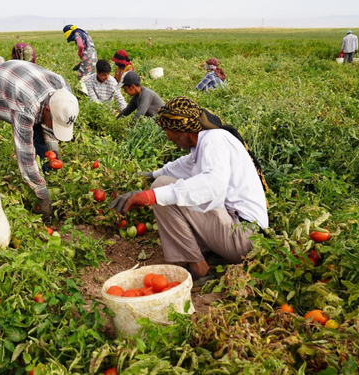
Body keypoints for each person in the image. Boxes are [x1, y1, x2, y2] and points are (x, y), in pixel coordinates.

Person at [110, 96, 269, 282]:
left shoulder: (214, 141)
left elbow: (212, 184)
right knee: (163, 183)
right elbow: (180, 166)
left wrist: (151, 195)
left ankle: (199, 268)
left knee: (162, 188)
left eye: (169, 131)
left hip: (244, 238)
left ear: (183, 129)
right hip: (242, 234)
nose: (169, 138)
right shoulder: (204, 144)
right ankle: (210, 254)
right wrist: (148, 175)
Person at [0, 60, 79, 219]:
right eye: (54, 123)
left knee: (43, 145)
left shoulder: (64, 93)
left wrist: (53, 150)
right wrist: (43, 195)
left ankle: (47, 176)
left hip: (15, 86)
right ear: (47, 109)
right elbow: (25, 155)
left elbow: (51, 123)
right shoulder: (26, 106)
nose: (55, 128)